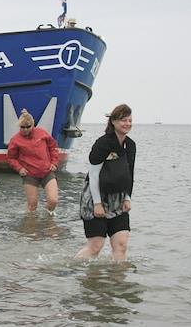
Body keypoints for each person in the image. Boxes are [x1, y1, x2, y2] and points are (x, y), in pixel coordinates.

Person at [75, 104, 135, 262]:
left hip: (119, 199)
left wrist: (127, 197)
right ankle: (73, 267)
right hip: (95, 197)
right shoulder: (103, 143)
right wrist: (97, 204)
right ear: (113, 121)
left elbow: (130, 174)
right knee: (96, 246)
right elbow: (93, 175)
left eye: (129, 120)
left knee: (121, 245)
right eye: (123, 120)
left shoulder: (130, 145)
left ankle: (117, 276)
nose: (127, 123)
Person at [6, 109, 60, 212]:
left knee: (53, 201)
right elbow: (11, 158)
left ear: (33, 124)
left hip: (47, 172)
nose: (25, 129)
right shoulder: (15, 140)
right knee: (32, 205)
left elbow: (53, 147)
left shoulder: (42, 133)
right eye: (22, 127)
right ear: (19, 126)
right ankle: (30, 221)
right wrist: (19, 168)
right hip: (30, 175)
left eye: (28, 126)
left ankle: (48, 217)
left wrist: (54, 162)